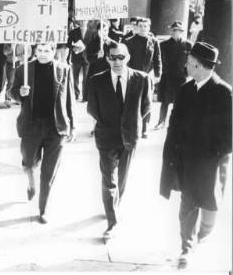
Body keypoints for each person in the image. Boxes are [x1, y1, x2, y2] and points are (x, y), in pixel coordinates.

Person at [159, 42, 231, 269]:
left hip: (210, 165)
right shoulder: (185, 89)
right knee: (187, 204)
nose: (186, 67)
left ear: (200, 66)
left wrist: (210, 154)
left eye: (190, 63)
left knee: (210, 207)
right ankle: (186, 248)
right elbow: (174, 124)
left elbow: (229, 137)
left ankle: (203, 234)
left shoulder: (224, 93)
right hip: (185, 162)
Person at [87, 42, 151, 240]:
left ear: (128, 57)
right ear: (107, 58)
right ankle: (112, 222)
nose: (116, 61)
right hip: (106, 137)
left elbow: (146, 107)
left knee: (122, 178)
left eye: (120, 57)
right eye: (112, 57)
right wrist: (108, 123)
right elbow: (92, 109)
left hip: (130, 137)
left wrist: (130, 123)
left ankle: (113, 204)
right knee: (109, 180)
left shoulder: (142, 78)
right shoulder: (97, 80)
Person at [11, 42, 76, 223]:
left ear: (53, 51)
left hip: (56, 127)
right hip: (31, 125)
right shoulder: (23, 69)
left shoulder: (64, 69)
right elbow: (12, 92)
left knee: (49, 171)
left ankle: (43, 209)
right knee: (29, 163)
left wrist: (73, 125)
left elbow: (69, 98)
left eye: (47, 51)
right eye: (39, 50)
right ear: (34, 51)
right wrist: (20, 93)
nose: (42, 54)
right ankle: (31, 182)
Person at [125, 17, 161, 138]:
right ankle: (132, 127)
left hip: (148, 77)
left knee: (147, 102)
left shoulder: (154, 41)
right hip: (133, 76)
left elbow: (157, 59)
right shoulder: (129, 41)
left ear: (149, 27)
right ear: (137, 27)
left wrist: (157, 75)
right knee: (133, 102)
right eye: (141, 26)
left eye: (145, 26)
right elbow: (127, 60)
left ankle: (144, 129)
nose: (143, 28)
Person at [155, 21, 192, 130]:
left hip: (181, 77)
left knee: (180, 101)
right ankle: (161, 122)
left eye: (175, 30)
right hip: (167, 77)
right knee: (165, 101)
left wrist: (188, 74)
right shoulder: (163, 45)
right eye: (172, 29)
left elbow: (191, 61)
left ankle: (178, 123)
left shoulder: (188, 45)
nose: (173, 32)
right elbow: (158, 60)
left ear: (180, 32)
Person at [67, 19, 88, 101]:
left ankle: (85, 96)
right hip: (76, 58)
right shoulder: (73, 32)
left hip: (87, 58)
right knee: (75, 77)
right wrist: (74, 47)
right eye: (81, 21)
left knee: (86, 78)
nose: (83, 22)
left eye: (84, 21)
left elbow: (93, 44)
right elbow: (68, 44)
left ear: (87, 21)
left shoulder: (92, 32)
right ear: (79, 22)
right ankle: (76, 95)